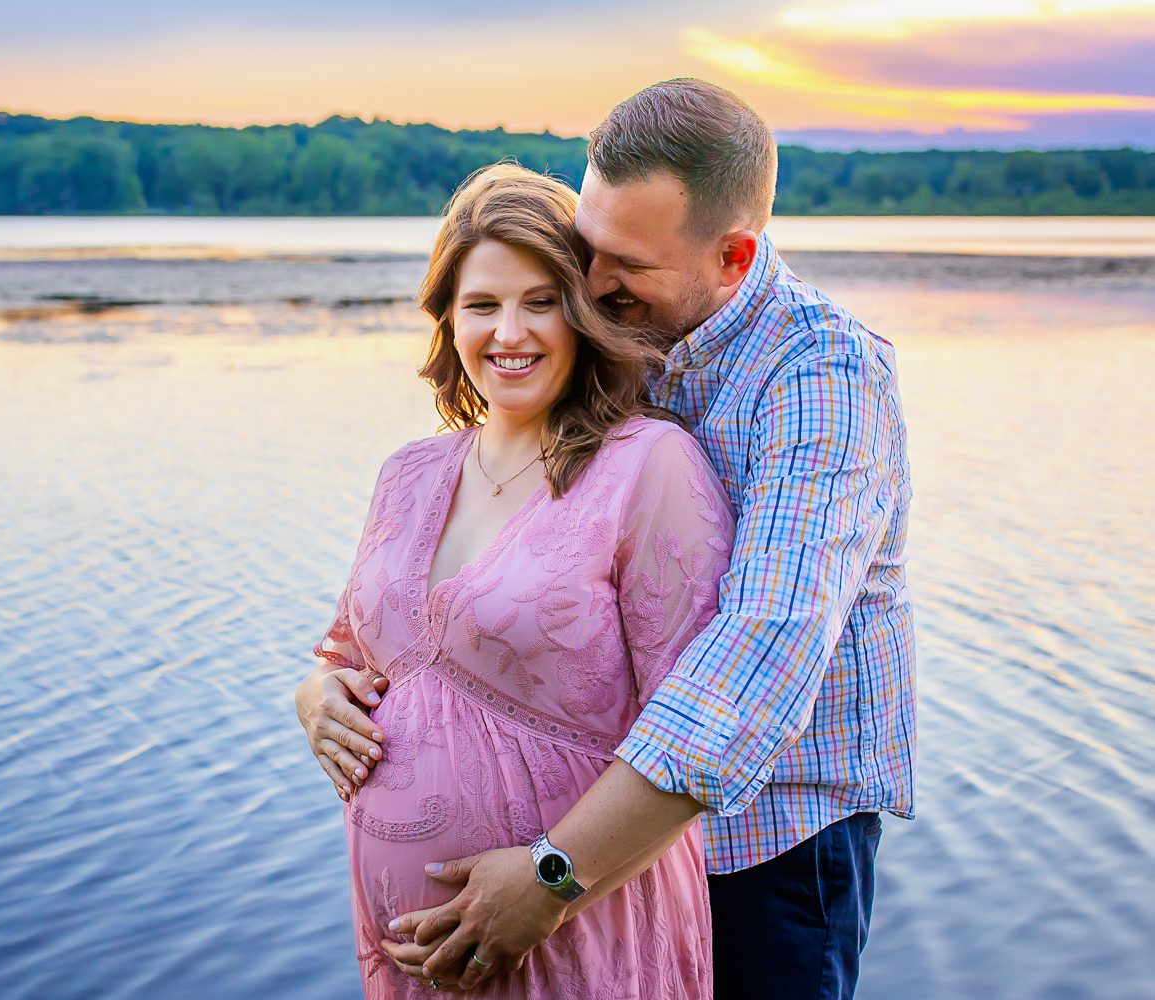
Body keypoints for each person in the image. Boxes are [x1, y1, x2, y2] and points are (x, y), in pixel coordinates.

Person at [297, 79, 915, 1000]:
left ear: (733, 256)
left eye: (619, 262)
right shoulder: (631, 335)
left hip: (770, 853)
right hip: (585, 861)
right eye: (585, 247)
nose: (589, 284)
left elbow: (761, 651)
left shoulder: (821, 375)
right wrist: (322, 688)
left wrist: (553, 876)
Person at [296, 162, 737, 998]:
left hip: (578, 929)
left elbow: (697, 739)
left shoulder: (648, 468)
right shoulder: (409, 474)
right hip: (408, 957)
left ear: (584, 313)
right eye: (482, 304)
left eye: (541, 301)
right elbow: (353, 651)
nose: (511, 332)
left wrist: (551, 885)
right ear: (448, 319)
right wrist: (314, 696)